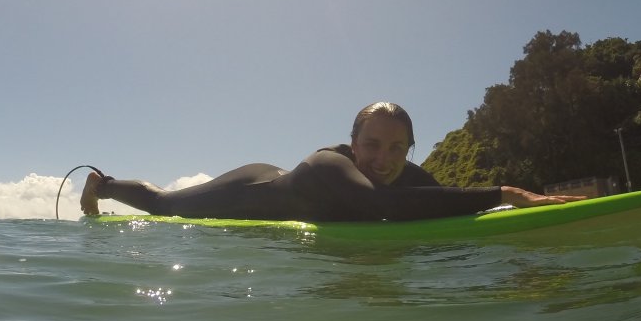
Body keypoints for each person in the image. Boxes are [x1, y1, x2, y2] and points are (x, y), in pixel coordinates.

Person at [80, 102, 585, 222]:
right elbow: (384, 206)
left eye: (397, 148)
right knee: (166, 205)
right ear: (353, 143)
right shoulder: (329, 164)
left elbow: (436, 203)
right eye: (373, 145)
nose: (384, 159)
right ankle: (103, 185)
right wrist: (501, 193)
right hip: (250, 189)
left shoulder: (405, 172)